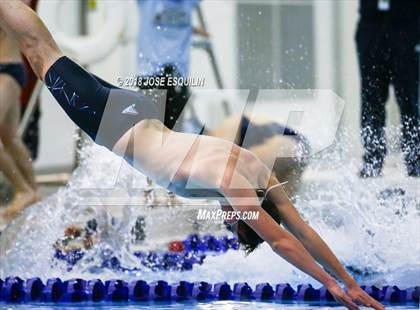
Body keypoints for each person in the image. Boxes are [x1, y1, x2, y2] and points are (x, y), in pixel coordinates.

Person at [0, 2, 384, 309]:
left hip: (137, 112)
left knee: (49, 52)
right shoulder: (237, 186)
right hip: (116, 126)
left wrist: (351, 282)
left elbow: (302, 229)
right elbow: (283, 241)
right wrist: (333, 285)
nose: (224, 219)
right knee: (42, 53)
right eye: (232, 225)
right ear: (243, 217)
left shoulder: (260, 172)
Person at [356, 0, 420, 177]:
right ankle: (372, 158)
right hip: (371, 23)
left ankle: (415, 159)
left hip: (407, 25)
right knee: (371, 97)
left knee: (410, 98)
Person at [136, 0, 207, 130]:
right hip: (151, 75)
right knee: (150, 134)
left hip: (178, 76)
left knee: (174, 135)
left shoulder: (188, 2)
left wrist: (191, 29)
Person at [0, 20, 40, 221]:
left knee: (9, 138)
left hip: (7, 69)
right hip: (6, 70)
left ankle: (23, 189)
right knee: (9, 138)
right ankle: (33, 192)